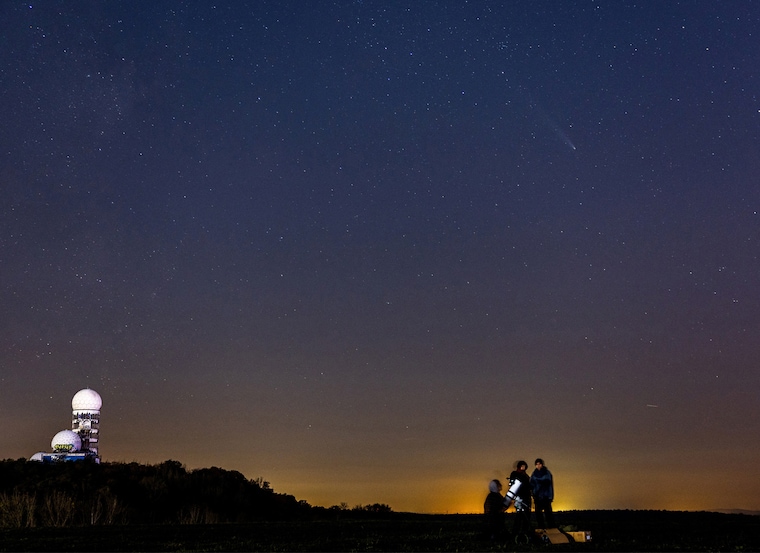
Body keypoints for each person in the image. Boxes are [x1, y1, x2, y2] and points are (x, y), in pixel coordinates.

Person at [508, 460, 533, 540]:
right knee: (519, 516)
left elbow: (529, 485)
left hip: (527, 498)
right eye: (522, 466)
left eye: (524, 467)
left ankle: (524, 532)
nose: (523, 468)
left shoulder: (526, 476)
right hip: (519, 498)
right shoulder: (514, 474)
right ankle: (515, 533)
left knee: (526, 516)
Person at [530, 458, 555, 528]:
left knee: (548, 513)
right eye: (537, 464)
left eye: (539, 464)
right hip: (537, 497)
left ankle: (551, 527)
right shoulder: (534, 474)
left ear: (542, 464)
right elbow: (531, 484)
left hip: (545, 496)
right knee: (538, 514)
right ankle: (541, 527)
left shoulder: (547, 473)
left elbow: (547, 483)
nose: (538, 466)